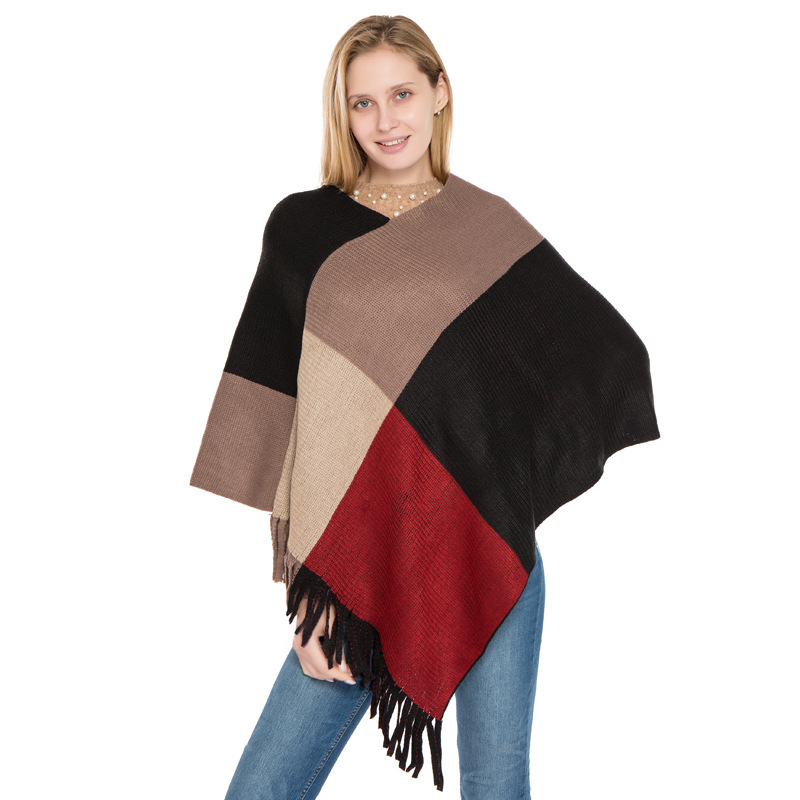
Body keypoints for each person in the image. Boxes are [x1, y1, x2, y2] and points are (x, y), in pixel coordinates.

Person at [189, 14, 659, 800]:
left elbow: (603, 352)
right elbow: (290, 413)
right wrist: (313, 592)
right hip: (359, 564)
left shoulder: (486, 225)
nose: (385, 120)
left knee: (497, 785)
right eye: (362, 102)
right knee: (262, 789)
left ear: (440, 93)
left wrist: (517, 469)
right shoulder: (304, 227)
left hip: (485, 543)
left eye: (402, 94)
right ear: (342, 112)